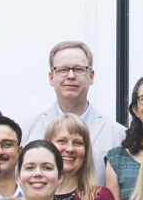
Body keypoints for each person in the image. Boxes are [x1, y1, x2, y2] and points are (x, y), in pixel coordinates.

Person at [24, 40, 127, 185]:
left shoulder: (118, 135)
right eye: (62, 70)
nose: (71, 76)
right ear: (51, 77)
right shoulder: (26, 130)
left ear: (91, 76)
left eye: (79, 69)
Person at [46, 112, 118, 200]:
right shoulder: (35, 196)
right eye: (62, 141)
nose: (70, 149)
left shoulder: (100, 198)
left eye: (78, 143)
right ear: (47, 147)